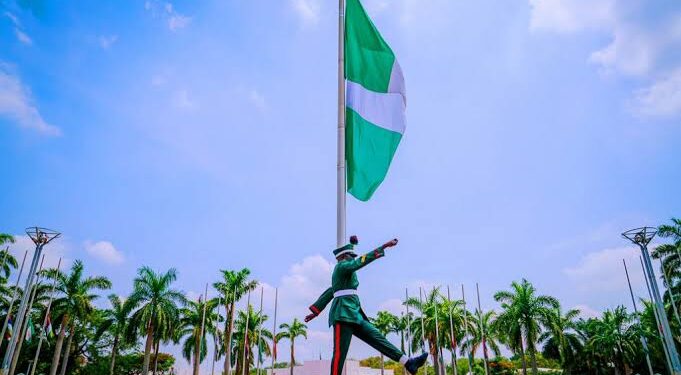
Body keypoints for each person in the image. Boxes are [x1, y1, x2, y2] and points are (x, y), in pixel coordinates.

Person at [305, 235, 428, 375]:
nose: (353, 258)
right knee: (340, 354)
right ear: (344, 256)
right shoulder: (342, 266)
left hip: (355, 314)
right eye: (351, 255)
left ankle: (408, 362)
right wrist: (383, 246)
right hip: (342, 314)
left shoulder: (344, 273)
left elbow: (331, 291)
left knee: (378, 338)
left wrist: (316, 310)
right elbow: (356, 264)